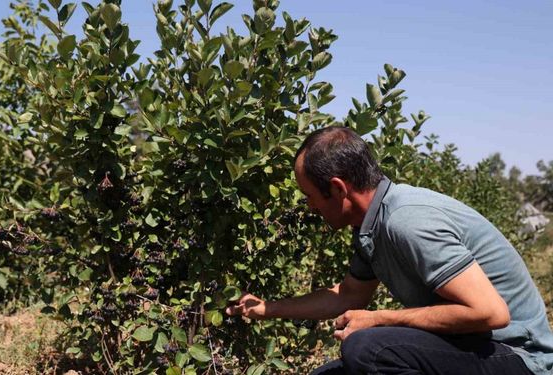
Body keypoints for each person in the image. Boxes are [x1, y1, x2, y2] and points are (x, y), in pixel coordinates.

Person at [225, 126, 553, 374]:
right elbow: (347, 297)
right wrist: (267, 308)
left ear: (338, 189)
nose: (309, 206)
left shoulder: (405, 220)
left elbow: (491, 313)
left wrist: (380, 319)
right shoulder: (372, 226)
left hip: (519, 357)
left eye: (310, 195)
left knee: (366, 348)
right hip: (472, 346)